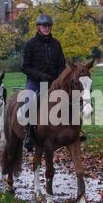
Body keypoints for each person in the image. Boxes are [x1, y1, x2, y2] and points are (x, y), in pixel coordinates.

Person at [20, 14, 69, 151]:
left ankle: (72, 130)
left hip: (53, 81)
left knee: (69, 98)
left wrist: (59, 78)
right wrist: (41, 76)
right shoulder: (30, 44)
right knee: (30, 100)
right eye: (44, 26)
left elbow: (61, 64)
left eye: (49, 26)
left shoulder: (56, 44)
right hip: (35, 81)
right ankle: (29, 134)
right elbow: (24, 66)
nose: (47, 28)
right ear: (38, 27)